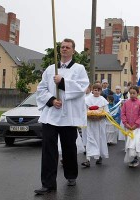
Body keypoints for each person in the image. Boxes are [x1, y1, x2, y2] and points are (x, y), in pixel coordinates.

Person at [35, 38, 89, 195]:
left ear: (73, 50)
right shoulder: (50, 69)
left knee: (69, 148)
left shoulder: (79, 69)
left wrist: (63, 82)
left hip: (68, 116)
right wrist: (51, 100)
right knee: (48, 150)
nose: (64, 49)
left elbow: (82, 88)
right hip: (51, 116)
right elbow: (41, 89)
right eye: (62, 47)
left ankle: (71, 174)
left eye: (68, 47)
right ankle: (48, 184)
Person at [82, 83, 109, 167]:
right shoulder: (87, 99)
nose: (97, 92)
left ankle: (99, 156)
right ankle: (88, 159)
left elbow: (107, 112)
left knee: (100, 140)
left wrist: (100, 116)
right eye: (95, 90)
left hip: (100, 124)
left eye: (98, 90)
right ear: (92, 90)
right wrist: (89, 116)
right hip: (91, 124)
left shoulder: (103, 100)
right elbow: (84, 111)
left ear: (101, 91)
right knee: (90, 140)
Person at [121, 86, 140, 167]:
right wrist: (126, 124)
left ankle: (135, 158)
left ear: (137, 93)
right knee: (129, 144)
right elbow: (123, 114)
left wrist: (136, 124)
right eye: (131, 93)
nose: (132, 95)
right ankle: (131, 158)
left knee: (135, 143)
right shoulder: (126, 103)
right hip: (128, 127)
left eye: (134, 93)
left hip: (136, 128)